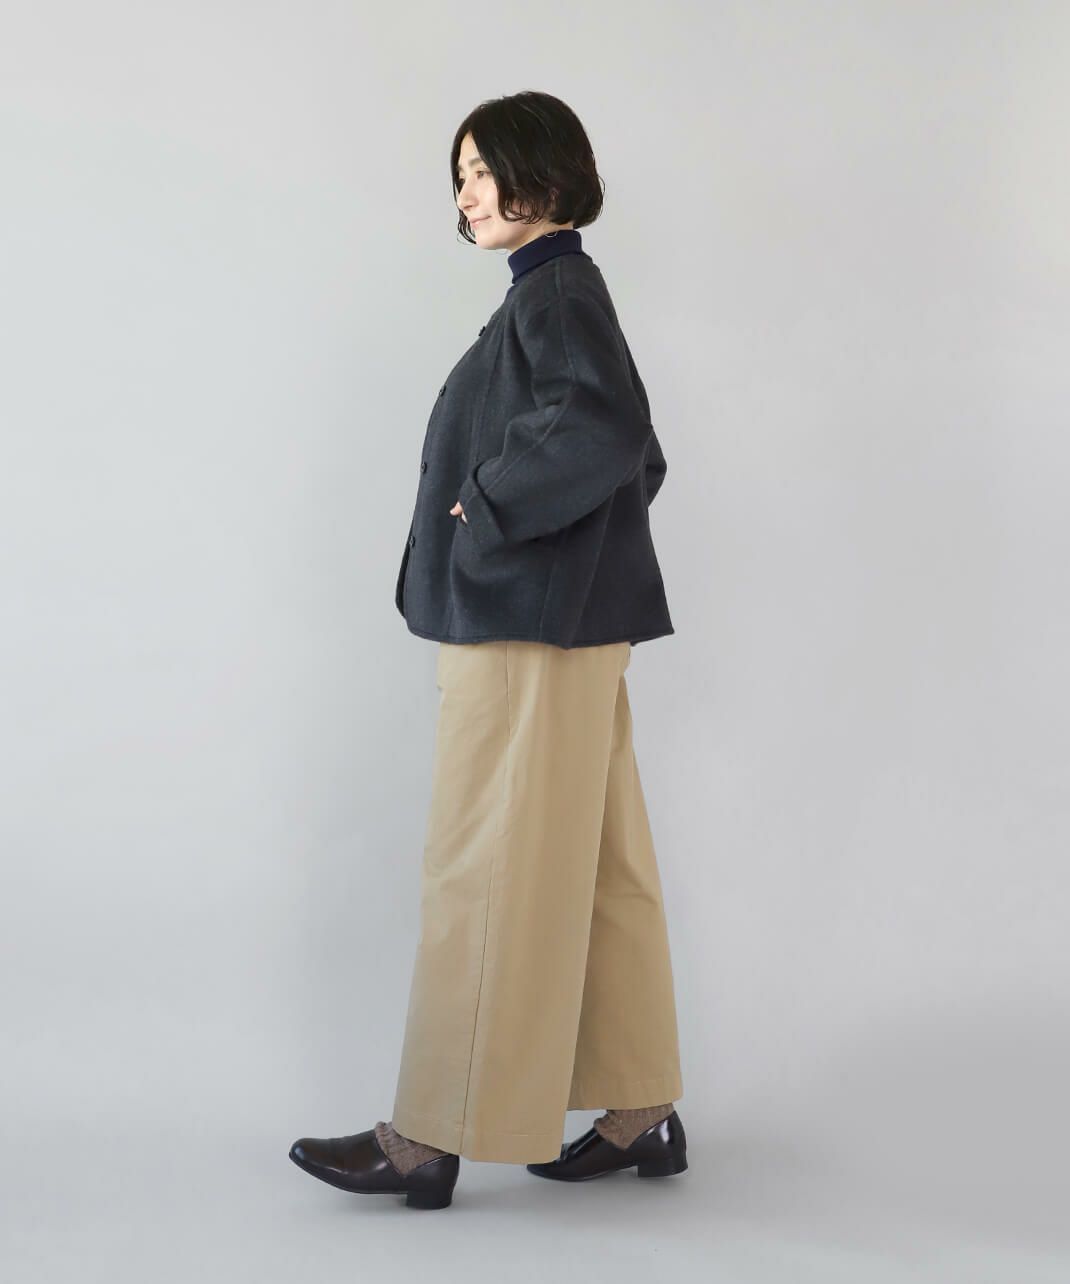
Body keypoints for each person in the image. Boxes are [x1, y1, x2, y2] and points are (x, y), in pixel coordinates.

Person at [289, 90, 686, 1211]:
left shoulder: (554, 292)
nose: (464, 195)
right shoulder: (554, 293)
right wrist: (560, 539)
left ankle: (427, 1138)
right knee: (600, 868)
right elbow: (637, 452)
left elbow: (607, 432)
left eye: (481, 170)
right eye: (458, 175)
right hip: (567, 629)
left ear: (544, 176)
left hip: (522, 629)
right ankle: (640, 1109)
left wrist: (494, 504)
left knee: (483, 865)